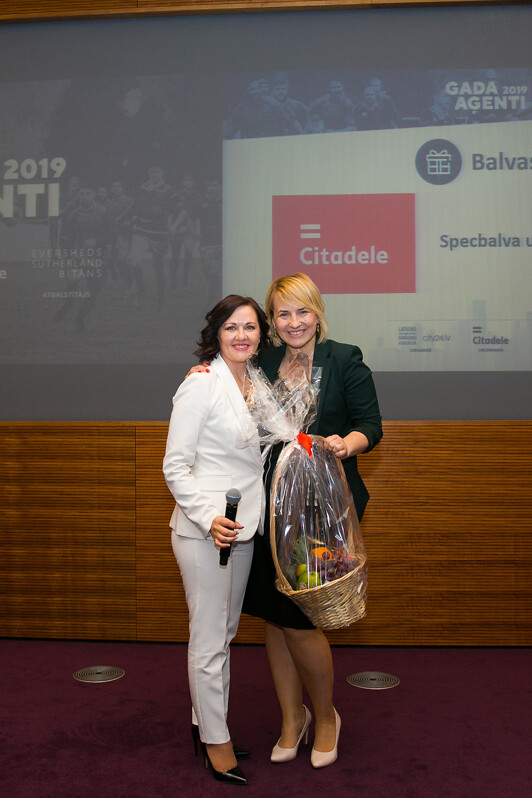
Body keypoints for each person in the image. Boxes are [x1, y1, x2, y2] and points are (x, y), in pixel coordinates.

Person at [188, 273, 383, 769]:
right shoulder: (263, 362)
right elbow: (225, 386)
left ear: (318, 313)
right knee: (273, 614)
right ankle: (291, 719)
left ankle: (327, 717)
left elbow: (370, 425)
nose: (294, 322)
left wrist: (346, 444)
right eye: (282, 313)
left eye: (302, 311)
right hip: (266, 504)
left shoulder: (345, 359)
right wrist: (202, 372)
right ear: (272, 322)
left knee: (300, 617)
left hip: (323, 505)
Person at [163, 294, 269, 786]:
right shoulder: (201, 383)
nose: (241, 335)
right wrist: (208, 518)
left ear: (261, 335)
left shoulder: (258, 384)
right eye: (231, 327)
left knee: (223, 634)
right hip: (206, 530)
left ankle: (204, 724)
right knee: (208, 639)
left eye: (250, 327)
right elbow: (175, 466)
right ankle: (216, 743)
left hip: (244, 527)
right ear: (216, 334)